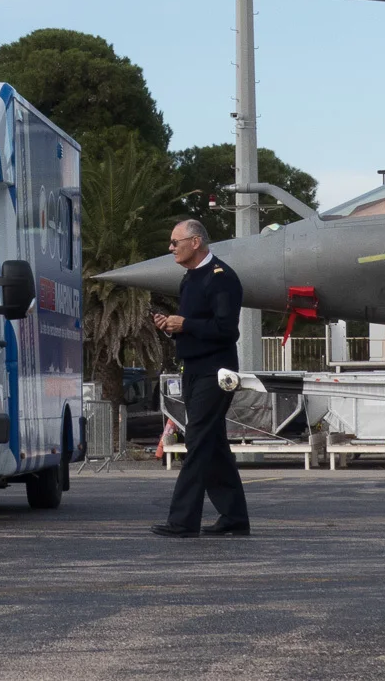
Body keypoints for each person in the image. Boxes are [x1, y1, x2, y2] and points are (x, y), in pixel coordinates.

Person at [150, 220, 250, 538]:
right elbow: (191, 324)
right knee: (214, 444)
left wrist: (187, 324)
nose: (171, 248)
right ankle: (234, 517)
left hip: (216, 372)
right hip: (193, 369)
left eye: (174, 242)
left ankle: (183, 521)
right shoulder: (189, 280)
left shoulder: (222, 278)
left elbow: (226, 330)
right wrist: (172, 325)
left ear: (194, 242)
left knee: (197, 441)